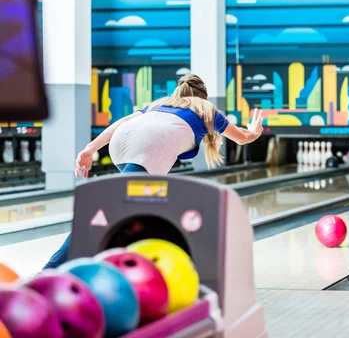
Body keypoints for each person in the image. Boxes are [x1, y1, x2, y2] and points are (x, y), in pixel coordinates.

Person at [43, 74, 263, 269]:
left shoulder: (158, 104)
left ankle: (129, 263)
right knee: (106, 212)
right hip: (148, 150)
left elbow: (122, 122)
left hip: (121, 145)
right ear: (203, 96)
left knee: (139, 210)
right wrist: (254, 131)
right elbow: (243, 138)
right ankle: (50, 270)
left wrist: (90, 149)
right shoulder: (206, 109)